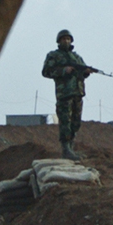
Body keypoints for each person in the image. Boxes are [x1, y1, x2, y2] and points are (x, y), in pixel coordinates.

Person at [41, 29, 94, 160]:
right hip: (64, 94)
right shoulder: (54, 56)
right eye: (64, 39)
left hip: (77, 93)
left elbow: (81, 73)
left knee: (76, 123)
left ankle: (71, 147)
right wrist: (64, 70)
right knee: (65, 122)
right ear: (59, 41)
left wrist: (86, 72)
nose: (66, 41)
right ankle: (66, 149)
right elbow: (46, 71)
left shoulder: (77, 57)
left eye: (68, 39)